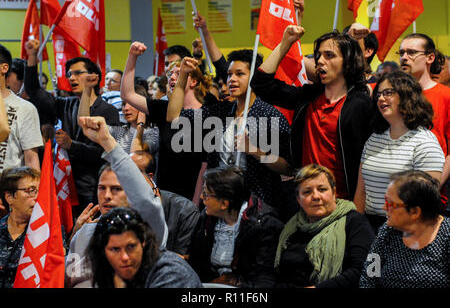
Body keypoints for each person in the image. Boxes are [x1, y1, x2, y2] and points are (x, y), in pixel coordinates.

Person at [251, 26, 373, 202]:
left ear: (347, 62)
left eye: (329, 55)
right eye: (319, 56)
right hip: (305, 199)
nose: (320, 61)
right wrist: (286, 42)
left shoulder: (361, 105)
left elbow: (366, 164)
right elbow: (261, 84)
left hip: (342, 203)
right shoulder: (307, 97)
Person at [166, 50, 293, 215]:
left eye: (239, 74)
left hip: (256, 209)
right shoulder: (221, 111)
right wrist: (183, 75)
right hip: (219, 205)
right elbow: (173, 116)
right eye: (229, 74)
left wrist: (254, 150)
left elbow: (287, 167)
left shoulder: (269, 115)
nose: (231, 79)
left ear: (254, 78)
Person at [65, 116, 168, 288]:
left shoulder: (147, 229)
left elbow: (146, 202)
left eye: (116, 189)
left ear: (132, 192)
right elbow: (68, 280)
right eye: (101, 188)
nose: (106, 196)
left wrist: (108, 143)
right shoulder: (84, 234)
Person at [24, 39, 120, 213]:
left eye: (77, 73)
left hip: (92, 185)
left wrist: (71, 145)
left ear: (94, 77)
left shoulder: (108, 111)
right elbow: (34, 91)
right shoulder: (66, 104)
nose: (72, 78)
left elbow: (105, 153)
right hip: (65, 184)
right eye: (69, 75)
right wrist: (32, 57)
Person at [354, 70, 445, 232]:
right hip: (369, 226)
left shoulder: (425, 142)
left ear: (407, 96)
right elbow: (361, 192)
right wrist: (356, 228)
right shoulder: (374, 138)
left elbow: (425, 201)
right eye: (379, 94)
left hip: (406, 228)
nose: (381, 98)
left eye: (388, 93)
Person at [120, 42, 208, 201]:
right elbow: (127, 94)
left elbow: (205, 164)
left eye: (179, 73)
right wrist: (132, 56)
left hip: (196, 195)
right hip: (166, 194)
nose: (172, 77)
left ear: (193, 81)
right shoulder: (163, 108)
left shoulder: (208, 112)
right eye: (169, 74)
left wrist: (196, 203)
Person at [274, 164, 375, 288]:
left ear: (334, 192)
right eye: (307, 192)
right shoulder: (291, 227)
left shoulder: (355, 222)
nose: (316, 196)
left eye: (322, 189)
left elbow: (363, 271)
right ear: (298, 200)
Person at [188, 165, 284, 287]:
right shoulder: (207, 217)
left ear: (224, 203)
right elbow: (195, 261)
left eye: (206, 194)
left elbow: (264, 277)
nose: (201, 197)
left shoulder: (264, 225)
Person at [359, 170, 450, 288]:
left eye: (390, 204)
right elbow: (369, 277)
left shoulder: (447, 235)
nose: (384, 207)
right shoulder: (387, 231)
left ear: (414, 212)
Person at [88, 207, 203, 288]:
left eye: (131, 246)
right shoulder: (106, 266)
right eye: (115, 249)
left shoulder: (171, 274)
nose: (124, 257)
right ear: (103, 250)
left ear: (143, 242)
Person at [398, 34, 450, 197]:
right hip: (395, 188)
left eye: (411, 52)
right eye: (401, 53)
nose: (405, 57)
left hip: (431, 192)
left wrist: (434, 185)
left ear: (430, 57)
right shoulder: (391, 95)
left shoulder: (446, 96)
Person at [78, 73, 159, 156]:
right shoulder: (120, 131)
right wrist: (87, 88)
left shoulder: (152, 132)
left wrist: (140, 125)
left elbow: (135, 154)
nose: (126, 108)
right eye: (123, 104)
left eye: (131, 104)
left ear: (142, 105)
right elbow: (84, 122)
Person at [0, 44, 42, 173]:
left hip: (8, 189)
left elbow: (31, 159)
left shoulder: (25, 109)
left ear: (4, 67)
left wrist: (33, 191)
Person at [0, 167, 40, 287]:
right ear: (10, 197)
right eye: (30, 191)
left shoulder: (46, 231)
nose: (37, 197)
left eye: (38, 191)